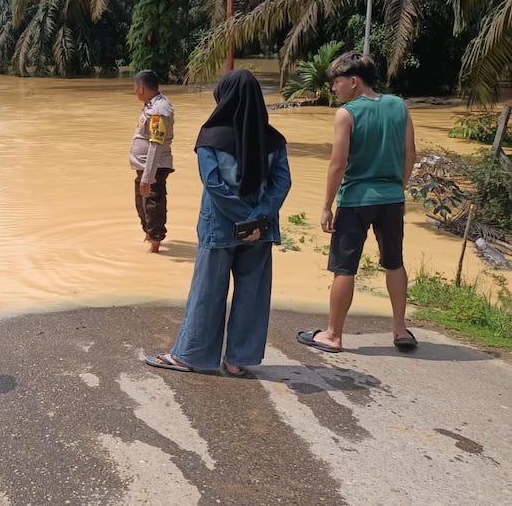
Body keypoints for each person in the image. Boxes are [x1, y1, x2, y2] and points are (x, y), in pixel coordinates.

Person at [146, 69, 291, 377]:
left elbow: (213, 184)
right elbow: (282, 183)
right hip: (261, 230)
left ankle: (189, 356)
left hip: (220, 227)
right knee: (252, 293)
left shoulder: (211, 137)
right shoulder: (274, 140)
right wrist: (256, 218)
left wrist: (241, 219)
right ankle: (238, 361)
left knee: (208, 291)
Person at [297, 52, 417, 354]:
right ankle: (400, 329)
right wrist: (396, 190)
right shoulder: (399, 106)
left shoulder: (347, 113)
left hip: (355, 201)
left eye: (336, 83)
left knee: (344, 268)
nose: (334, 90)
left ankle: (333, 335)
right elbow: (410, 154)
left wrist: (326, 205)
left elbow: (337, 164)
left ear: (353, 82)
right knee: (395, 262)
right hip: (391, 199)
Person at [129, 70, 175, 252]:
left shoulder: (159, 111)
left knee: (153, 204)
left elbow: (155, 145)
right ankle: (149, 234)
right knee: (141, 202)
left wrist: (148, 176)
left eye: (135, 88)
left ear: (141, 89)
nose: (134, 91)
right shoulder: (151, 105)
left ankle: (155, 244)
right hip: (145, 167)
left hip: (154, 167)